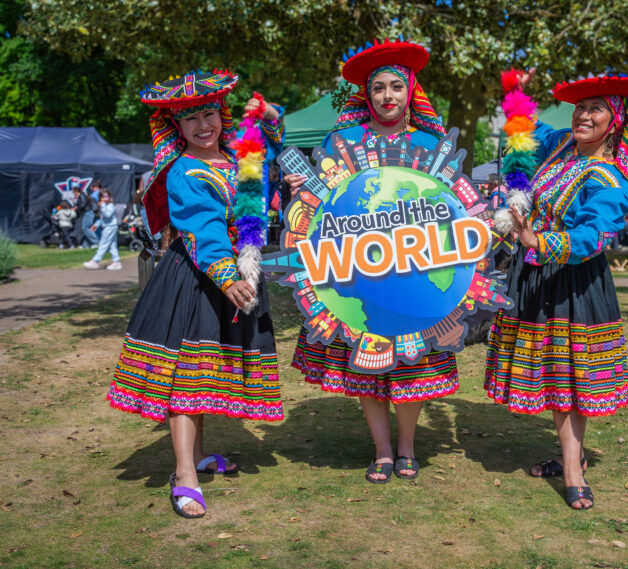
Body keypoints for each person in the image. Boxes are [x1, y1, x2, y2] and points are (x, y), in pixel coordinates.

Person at [105, 70, 285, 518]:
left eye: (208, 114)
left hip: (236, 276)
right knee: (184, 379)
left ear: (220, 115)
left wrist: (271, 117)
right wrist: (230, 279)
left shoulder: (238, 157)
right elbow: (203, 232)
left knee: (201, 376)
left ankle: (200, 457)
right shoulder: (185, 170)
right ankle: (184, 474)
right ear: (177, 128)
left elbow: (270, 156)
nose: (203, 125)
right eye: (190, 120)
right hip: (198, 279)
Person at [486, 71, 628, 510]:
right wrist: (516, 93)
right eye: (580, 107)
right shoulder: (562, 145)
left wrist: (536, 241)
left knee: (569, 379)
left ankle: (574, 470)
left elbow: (594, 237)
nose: (583, 115)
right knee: (557, 376)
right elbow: (525, 133)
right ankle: (570, 458)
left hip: (573, 284)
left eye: (595, 109)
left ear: (614, 120)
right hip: (536, 276)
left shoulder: (609, 177)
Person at [288, 39, 454, 484]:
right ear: (367, 94)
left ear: (410, 90)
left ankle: (406, 448)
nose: (387, 96)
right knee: (366, 360)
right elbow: (320, 207)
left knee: (413, 361)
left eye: (396, 87)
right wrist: (300, 192)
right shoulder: (340, 142)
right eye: (378, 87)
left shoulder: (430, 143)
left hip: (415, 270)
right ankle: (382, 451)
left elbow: (449, 210)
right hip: (356, 276)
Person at [82, 190, 121, 270]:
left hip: (110, 227)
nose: (104, 198)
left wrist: (103, 206)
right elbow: (102, 218)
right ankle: (116, 262)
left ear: (109, 197)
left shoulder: (110, 205)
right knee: (112, 245)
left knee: (103, 244)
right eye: (102, 197)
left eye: (106, 196)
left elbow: (108, 215)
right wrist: (96, 225)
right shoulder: (105, 205)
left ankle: (95, 261)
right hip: (108, 226)